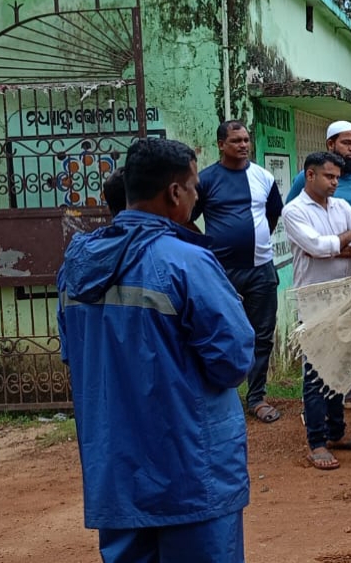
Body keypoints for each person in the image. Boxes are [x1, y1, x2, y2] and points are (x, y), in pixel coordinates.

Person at [57, 138, 255, 562]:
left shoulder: (75, 268)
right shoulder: (186, 262)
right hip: (191, 469)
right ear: (175, 193)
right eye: (195, 186)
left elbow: (75, 355)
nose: (197, 195)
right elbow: (233, 361)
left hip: (115, 471)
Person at [283, 152, 351, 471]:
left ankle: (337, 433)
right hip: (314, 304)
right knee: (315, 375)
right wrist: (345, 242)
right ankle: (317, 441)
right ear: (310, 175)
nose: (336, 182)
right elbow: (316, 248)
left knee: (339, 370)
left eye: (337, 177)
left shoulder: (341, 207)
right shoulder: (294, 211)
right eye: (329, 176)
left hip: (344, 299)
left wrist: (338, 245)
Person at [193, 121, 286, 425]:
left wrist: (255, 242)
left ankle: (256, 397)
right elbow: (186, 218)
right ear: (221, 144)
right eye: (236, 141)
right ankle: (219, 397)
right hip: (221, 273)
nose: (243, 145)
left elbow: (273, 214)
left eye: (246, 140)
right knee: (220, 332)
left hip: (261, 270)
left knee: (261, 335)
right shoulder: (205, 180)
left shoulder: (263, 177)